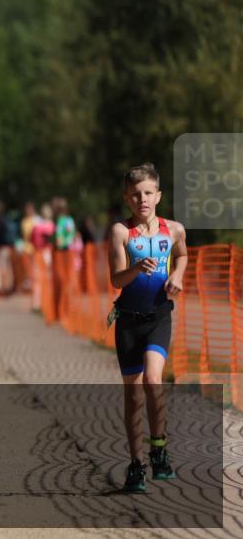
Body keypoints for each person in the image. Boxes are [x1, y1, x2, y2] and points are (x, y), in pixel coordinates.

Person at [106, 163, 186, 493]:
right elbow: (115, 280)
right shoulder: (121, 232)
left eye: (148, 193)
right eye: (136, 194)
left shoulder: (175, 230)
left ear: (158, 196)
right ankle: (136, 463)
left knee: (154, 380)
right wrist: (136, 267)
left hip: (157, 317)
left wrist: (177, 276)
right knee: (134, 395)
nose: (143, 199)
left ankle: (159, 450)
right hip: (128, 322)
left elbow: (182, 256)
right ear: (127, 198)